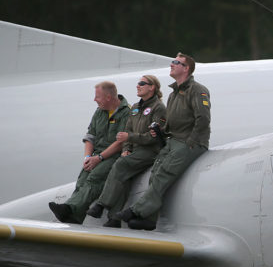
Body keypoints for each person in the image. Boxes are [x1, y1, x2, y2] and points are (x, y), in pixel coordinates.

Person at [116, 52, 211, 230]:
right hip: (173, 140)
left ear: (186, 68)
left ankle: (136, 211)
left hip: (190, 142)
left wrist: (191, 141)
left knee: (164, 172)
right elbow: (172, 121)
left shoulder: (198, 90)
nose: (172, 64)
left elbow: (203, 119)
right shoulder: (173, 94)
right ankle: (149, 219)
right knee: (155, 172)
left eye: (176, 62)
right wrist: (161, 131)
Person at [86, 75, 167, 228]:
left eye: (142, 83)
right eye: (138, 83)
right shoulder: (136, 107)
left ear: (152, 87)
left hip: (151, 150)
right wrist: (126, 149)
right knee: (125, 176)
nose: (138, 86)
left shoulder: (159, 108)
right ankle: (114, 218)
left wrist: (130, 138)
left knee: (120, 165)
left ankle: (102, 204)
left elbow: (154, 137)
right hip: (136, 150)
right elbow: (127, 131)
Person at [49, 81, 130, 224]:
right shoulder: (100, 112)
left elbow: (120, 143)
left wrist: (99, 158)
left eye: (97, 97)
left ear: (108, 97)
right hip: (97, 154)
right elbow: (90, 136)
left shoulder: (127, 113)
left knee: (95, 178)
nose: (94, 100)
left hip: (113, 155)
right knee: (82, 179)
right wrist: (88, 157)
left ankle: (69, 208)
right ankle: (74, 216)